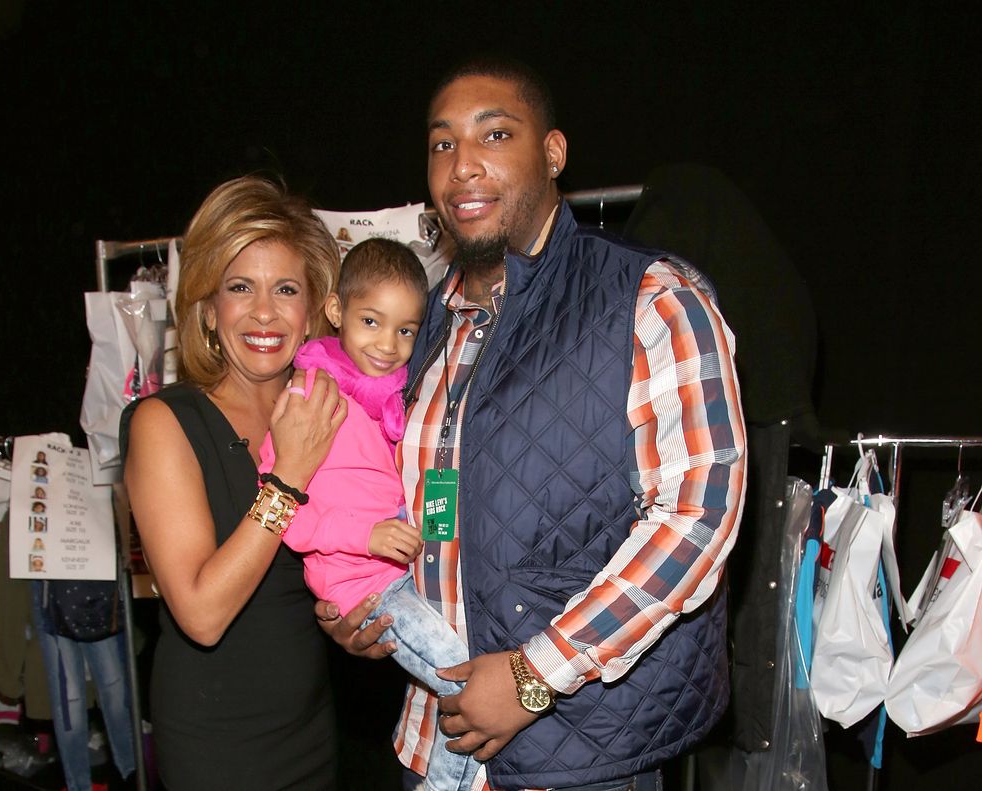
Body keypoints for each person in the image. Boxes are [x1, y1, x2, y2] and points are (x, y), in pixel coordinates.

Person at [317, 57, 747, 791]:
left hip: (578, 752)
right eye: (442, 144)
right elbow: (402, 496)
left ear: (552, 152)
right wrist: (364, 594)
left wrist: (531, 674)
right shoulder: (420, 327)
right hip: (434, 742)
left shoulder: (649, 299)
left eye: (495, 134)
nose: (463, 166)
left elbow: (697, 517)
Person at [121, 175, 345, 790]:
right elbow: (201, 613)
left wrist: (356, 621)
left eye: (287, 289)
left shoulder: (325, 413)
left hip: (311, 725)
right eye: (240, 287)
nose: (265, 312)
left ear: (313, 312)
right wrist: (288, 476)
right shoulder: (164, 422)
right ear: (209, 310)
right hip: (215, 739)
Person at [258, 237, 481, 791]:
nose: (389, 344)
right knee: (469, 684)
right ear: (336, 312)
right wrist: (368, 536)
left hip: (400, 577)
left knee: (466, 679)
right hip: (362, 587)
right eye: (371, 322)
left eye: (406, 330)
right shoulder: (311, 394)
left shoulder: (390, 399)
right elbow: (285, 515)